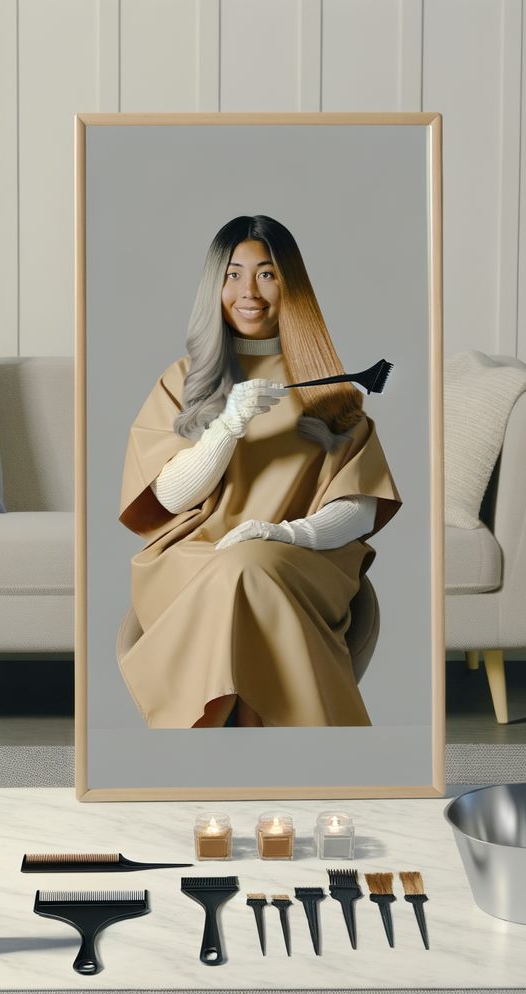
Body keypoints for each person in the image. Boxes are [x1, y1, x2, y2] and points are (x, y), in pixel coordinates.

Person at [117, 215, 400, 728]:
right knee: (238, 569)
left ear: (292, 283)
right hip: (191, 563)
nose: (249, 291)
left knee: (247, 566)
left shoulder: (331, 391)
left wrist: (281, 533)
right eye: (233, 274)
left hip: (299, 561)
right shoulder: (180, 381)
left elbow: (359, 509)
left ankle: (207, 758)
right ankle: (321, 757)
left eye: (267, 274)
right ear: (214, 285)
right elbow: (171, 498)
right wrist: (227, 426)